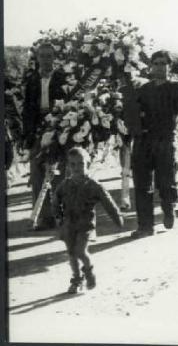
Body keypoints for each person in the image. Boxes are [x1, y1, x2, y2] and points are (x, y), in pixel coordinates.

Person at [130, 50, 178, 238]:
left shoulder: (177, 88)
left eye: (163, 63)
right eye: (156, 63)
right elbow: (133, 115)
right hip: (143, 142)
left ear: (169, 66)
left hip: (165, 141)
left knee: (166, 182)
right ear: (151, 66)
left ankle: (168, 208)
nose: (159, 67)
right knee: (142, 183)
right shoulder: (143, 89)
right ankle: (145, 226)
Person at [53, 147, 125, 294]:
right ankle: (76, 280)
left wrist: (117, 217)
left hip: (85, 224)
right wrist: (58, 216)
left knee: (80, 251)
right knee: (71, 253)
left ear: (87, 164)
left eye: (81, 164)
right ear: (68, 166)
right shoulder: (65, 185)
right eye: (73, 164)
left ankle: (89, 272)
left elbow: (107, 201)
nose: (77, 168)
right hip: (69, 224)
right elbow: (56, 199)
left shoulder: (93, 185)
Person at [23, 42, 68, 231]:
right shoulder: (31, 79)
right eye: (42, 56)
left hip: (57, 126)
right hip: (36, 129)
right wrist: (27, 136)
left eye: (49, 55)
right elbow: (26, 108)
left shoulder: (63, 78)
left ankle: (61, 217)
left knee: (59, 174)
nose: (46, 59)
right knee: (37, 173)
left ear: (54, 58)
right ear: (37, 58)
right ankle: (43, 217)